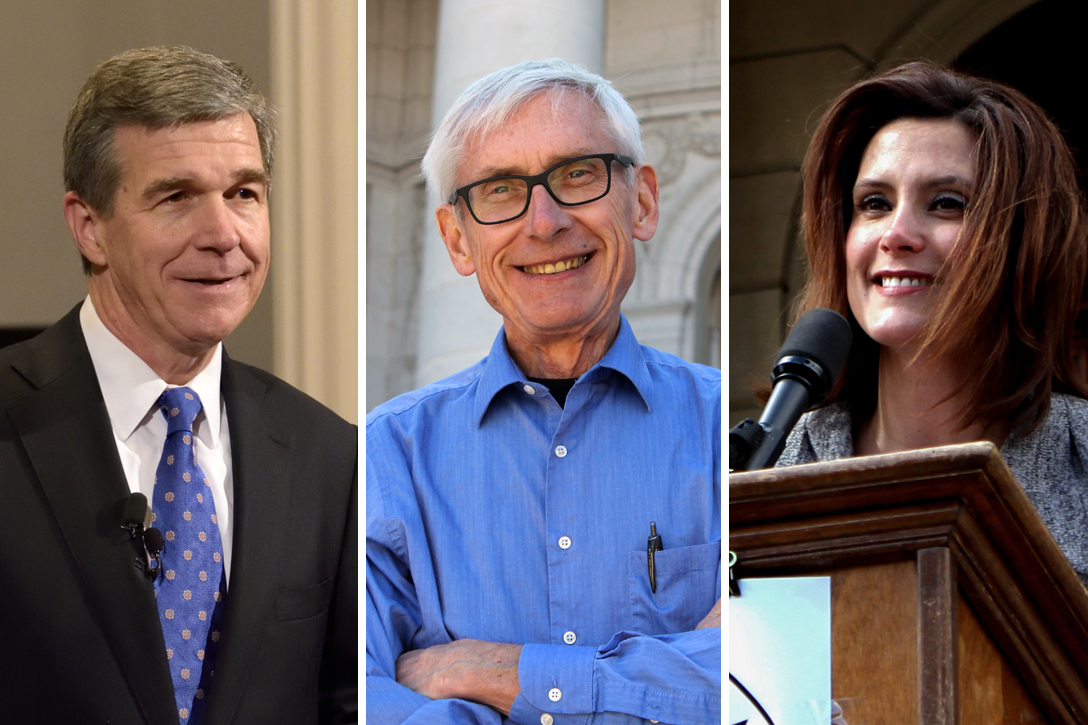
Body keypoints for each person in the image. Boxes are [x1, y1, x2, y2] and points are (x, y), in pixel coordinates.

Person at [0, 47, 356, 724]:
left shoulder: (329, 457)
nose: (223, 234)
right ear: (90, 227)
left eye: (244, 194)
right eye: (176, 197)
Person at [366, 59, 722, 723]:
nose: (545, 220)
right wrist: (655, 682)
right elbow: (359, 693)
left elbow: (751, 682)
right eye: (500, 190)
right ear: (457, 239)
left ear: (641, 201)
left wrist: (493, 671)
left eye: (577, 173)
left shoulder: (730, 433)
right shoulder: (388, 454)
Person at [778, 61, 1088, 581]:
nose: (896, 234)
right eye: (873, 204)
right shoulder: (779, 463)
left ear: (1023, 243)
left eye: (946, 204)